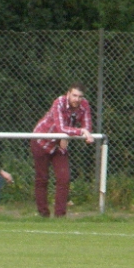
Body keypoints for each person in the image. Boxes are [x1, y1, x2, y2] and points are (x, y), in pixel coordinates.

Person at [31, 84, 94, 218]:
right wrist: (79, 132)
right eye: (74, 95)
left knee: (64, 178)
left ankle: (60, 216)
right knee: (42, 179)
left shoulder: (84, 105)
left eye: (80, 96)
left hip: (60, 145)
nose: (77, 99)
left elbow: (87, 127)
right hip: (42, 141)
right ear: (68, 94)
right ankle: (43, 214)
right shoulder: (59, 102)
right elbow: (61, 128)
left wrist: (83, 133)